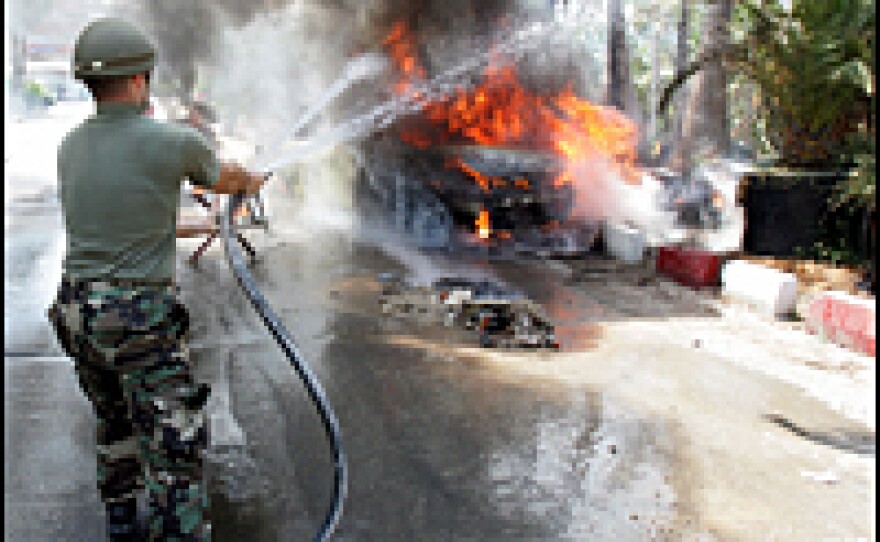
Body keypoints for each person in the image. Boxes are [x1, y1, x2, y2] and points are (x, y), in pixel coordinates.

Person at [47, 17, 266, 541]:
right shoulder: (173, 142)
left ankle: (121, 520)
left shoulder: (70, 145)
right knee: (175, 446)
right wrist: (252, 178)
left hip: (77, 312)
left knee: (114, 420)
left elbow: (130, 215)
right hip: (136, 320)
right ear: (138, 78)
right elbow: (227, 178)